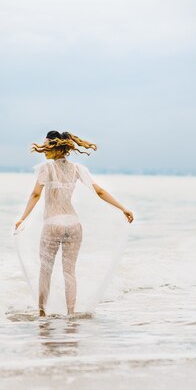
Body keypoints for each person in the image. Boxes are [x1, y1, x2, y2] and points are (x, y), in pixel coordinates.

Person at [14, 131, 134, 316]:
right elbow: (99, 191)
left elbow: (36, 194)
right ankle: (71, 314)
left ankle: (42, 313)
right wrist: (123, 208)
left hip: (53, 223)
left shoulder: (46, 168)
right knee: (69, 272)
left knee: (46, 271)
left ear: (55, 147)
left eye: (46, 146)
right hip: (74, 224)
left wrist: (23, 217)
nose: (43, 149)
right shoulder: (77, 168)